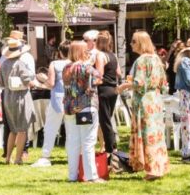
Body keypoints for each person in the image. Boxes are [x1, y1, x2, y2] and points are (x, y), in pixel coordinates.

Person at [118, 30, 170, 180]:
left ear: (140, 43)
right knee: (156, 135)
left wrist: (124, 86)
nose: (130, 44)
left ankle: (153, 170)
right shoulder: (156, 59)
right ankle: (159, 167)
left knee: (148, 135)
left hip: (144, 101)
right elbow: (164, 84)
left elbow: (139, 83)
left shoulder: (141, 60)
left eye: (133, 41)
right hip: (156, 100)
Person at [62, 40, 104, 182]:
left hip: (69, 107)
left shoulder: (66, 67)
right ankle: (91, 176)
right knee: (88, 142)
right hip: (86, 105)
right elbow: (99, 76)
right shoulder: (86, 67)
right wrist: (91, 61)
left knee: (73, 142)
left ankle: (72, 176)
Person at [0, 37, 37, 165]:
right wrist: (38, 83)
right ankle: (18, 158)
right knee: (22, 129)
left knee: (13, 129)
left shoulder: (4, 64)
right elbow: (27, 81)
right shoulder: (20, 64)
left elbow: (1, 83)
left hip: (8, 98)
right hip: (20, 97)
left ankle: (8, 157)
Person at [33, 40, 71, 167]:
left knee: (50, 129)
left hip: (57, 99)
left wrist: (39, 83)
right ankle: (72, 154)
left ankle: (45, 155)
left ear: (60, 52)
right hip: (72, 100)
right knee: (71, 129)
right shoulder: (76, 64)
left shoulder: (55, 64)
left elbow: (51, 83)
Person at [90, 30, 120, 161]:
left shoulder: (100, 55)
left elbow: (99, 74)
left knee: (104, 121)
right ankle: (113, 147)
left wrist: (89, 69)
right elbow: (119, 72)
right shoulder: (113, 55)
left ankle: (110, 150)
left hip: (103, 90)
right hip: (114, 90)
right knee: (108, 119)